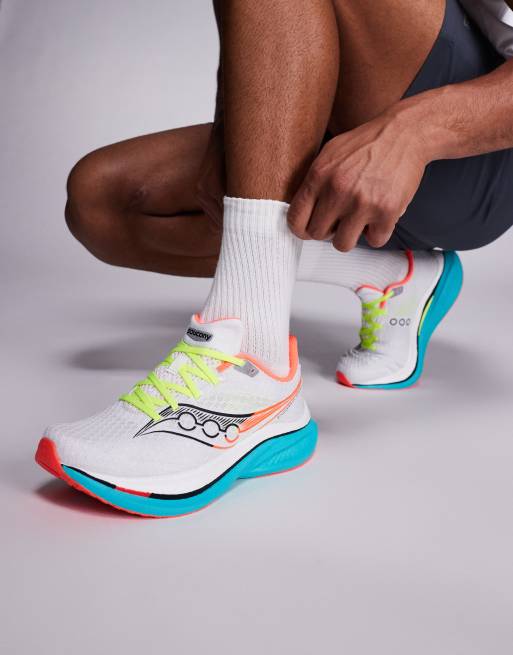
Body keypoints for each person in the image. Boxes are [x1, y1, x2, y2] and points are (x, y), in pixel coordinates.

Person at [36, 0, 513, 516]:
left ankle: (251, 364)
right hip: (370, 101)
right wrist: (229, 127)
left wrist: (412, 133)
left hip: (478, 156)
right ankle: (391, 274)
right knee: (104, 202)